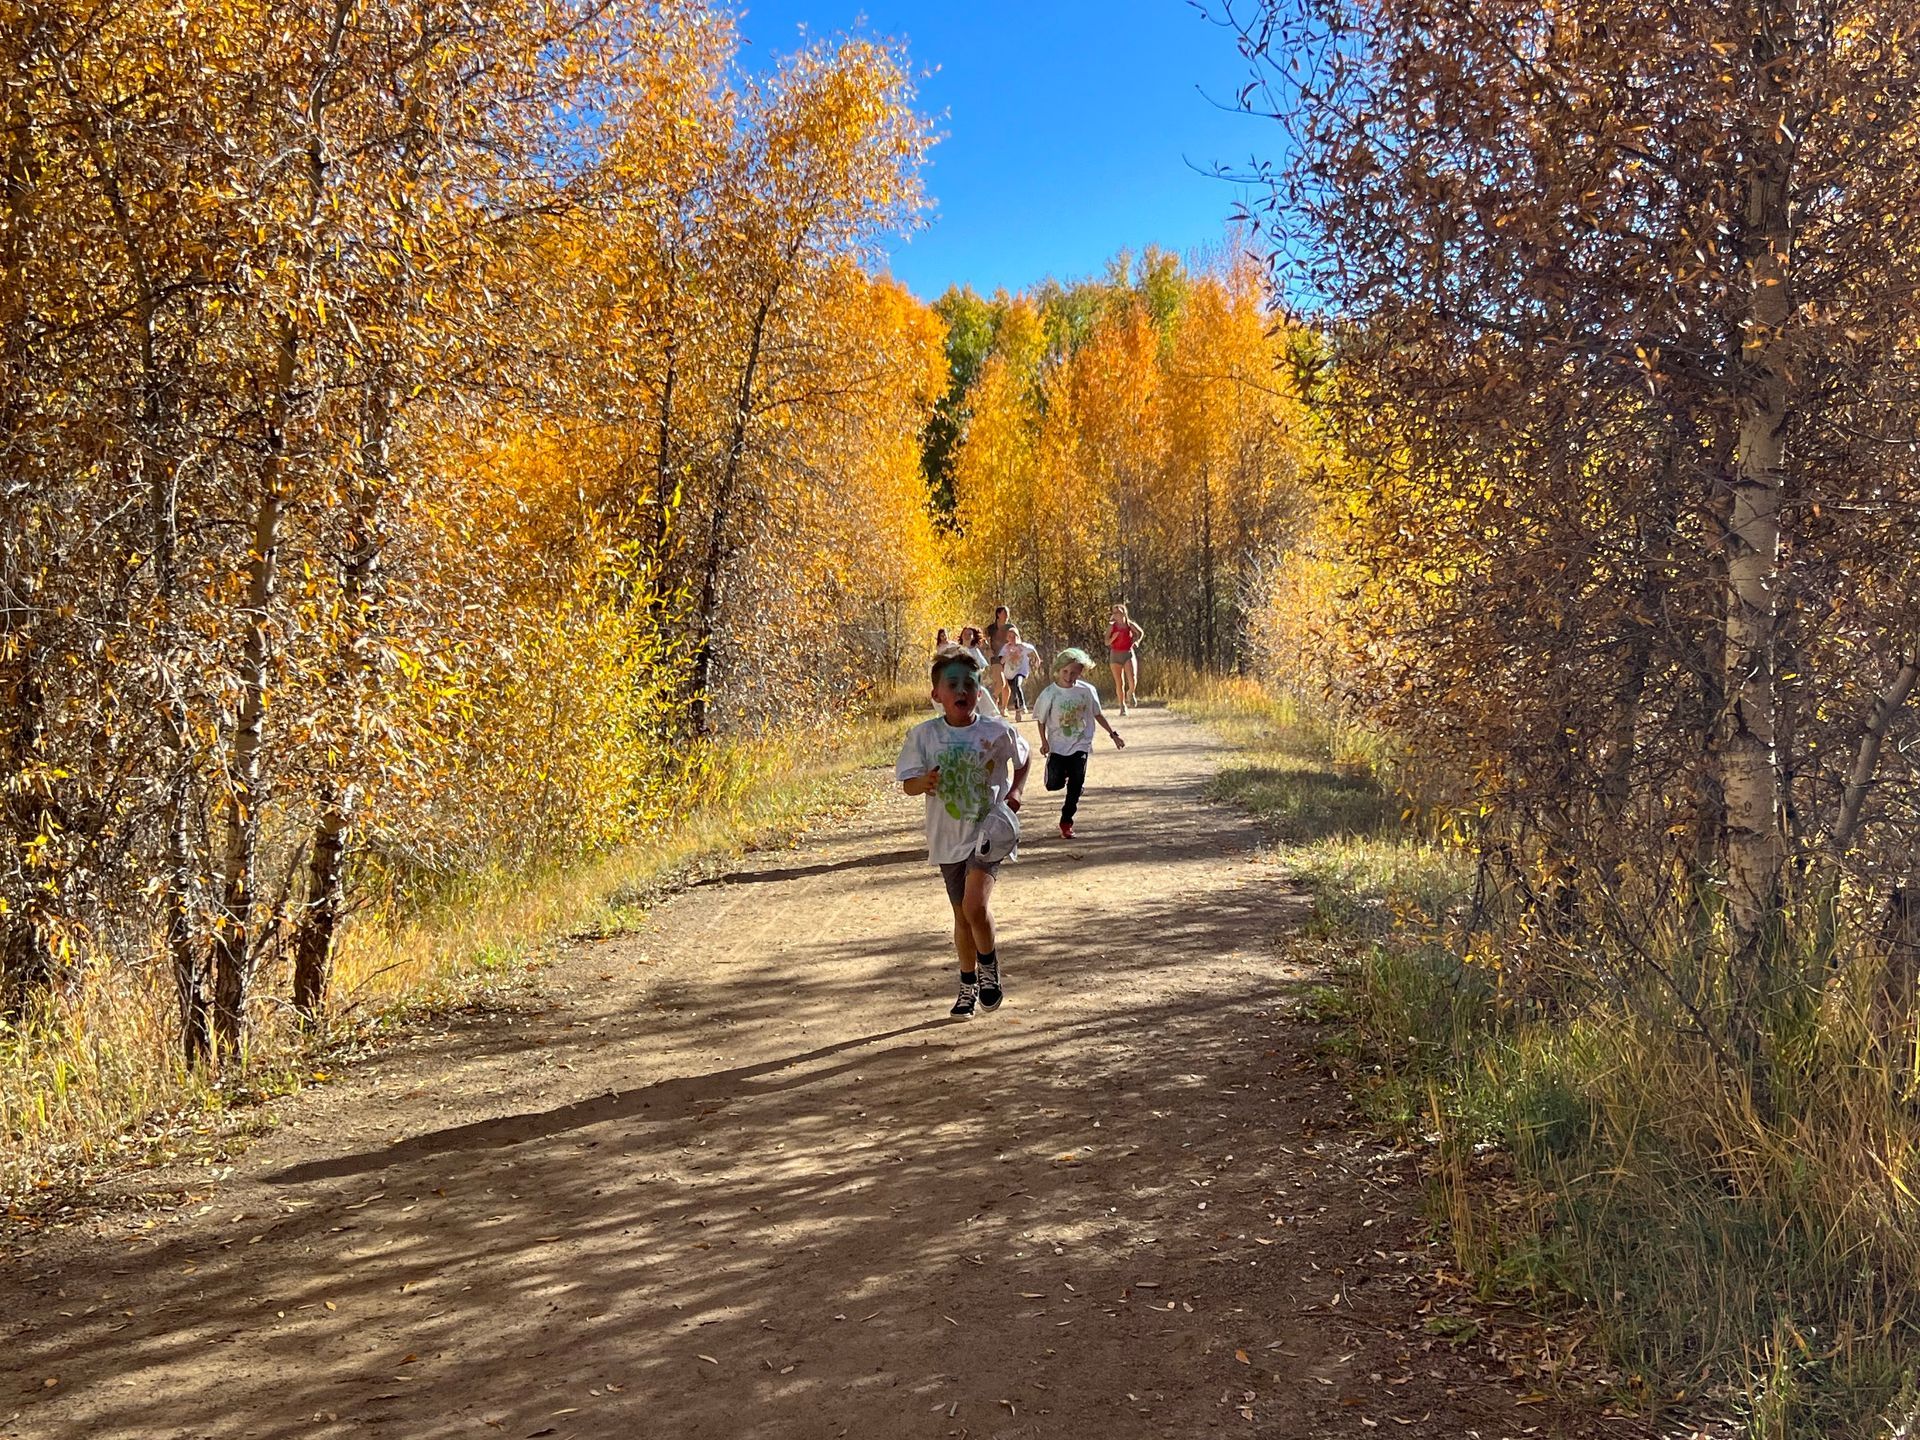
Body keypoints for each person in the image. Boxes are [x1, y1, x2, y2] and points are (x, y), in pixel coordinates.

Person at [896, 645, 1031, 1018]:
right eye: (951, 684)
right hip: (946, 836)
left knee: (975, 905)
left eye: (969, 684)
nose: (961, 691)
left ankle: (989, 969)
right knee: (961, 916)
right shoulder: (923, 737)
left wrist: (1015, 793)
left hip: (988, 830)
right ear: (936, 694)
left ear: (978, 692)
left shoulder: (997, 730)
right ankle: (967, 984)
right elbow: (907, 783)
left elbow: (1024, 758)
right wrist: (923, 781)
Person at [1032, 647, 1124, 839]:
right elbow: (1041, 719)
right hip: (1057, 745)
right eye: (1065, 671)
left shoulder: (1087, 691)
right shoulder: (1050, 693)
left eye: (1074, 672)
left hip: (1080, 743)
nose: (1069, 675)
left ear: (1081, 671)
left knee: (1076, 784)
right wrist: (1044, 741)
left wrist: (1113, 734)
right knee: (1053, 784)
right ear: (1058, 670)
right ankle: (1065, 775)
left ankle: (1066, 822)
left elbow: (1097, 714)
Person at [954, 626, 1002, 717]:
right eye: (965, 634)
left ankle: (991, 716)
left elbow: (983, 666)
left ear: (973, 637)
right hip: (959, 681)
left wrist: (977, 671)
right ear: (961, 636)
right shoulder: (957, 650)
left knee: (982, 693)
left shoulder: (975, 651)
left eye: (970, 634)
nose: (967, 636)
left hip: (973, 681)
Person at [1107, 603, 1145, 716]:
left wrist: (1136, 641)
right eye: (1114, 613)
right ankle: (1122, 706)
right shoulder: (1111, 627)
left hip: (1128, 653)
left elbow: (1141, 633)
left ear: (1124, 613)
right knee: (1119, 682)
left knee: (1132, 679)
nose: (1116, 614)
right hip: (1115, 654)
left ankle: (1131, 692)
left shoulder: (1130, 625)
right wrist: (1112, 639)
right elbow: (1106, 641)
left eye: (1118, 612)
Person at [1000, 625, 1040, 720]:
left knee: (1017, 684)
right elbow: (1001, 661)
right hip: (1009, 673)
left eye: (1014, 636)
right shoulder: (1005, 648)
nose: (1012, 638)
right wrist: (1008, 655)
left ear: (1018, 637)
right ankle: (1018, 711)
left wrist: (1038, 659)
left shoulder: (1023, 646)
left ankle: (1022, 705)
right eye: (1009, 636)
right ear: (1007, 638)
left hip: (1021, 671)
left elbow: (1033, 649)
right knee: (1014, 692)